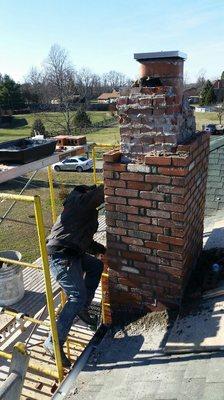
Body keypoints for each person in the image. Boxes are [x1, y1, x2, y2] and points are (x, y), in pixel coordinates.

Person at [44, 184, 106, 367]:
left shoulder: (83, 213)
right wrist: (115, 175)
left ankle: (82, 307)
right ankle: (53, 342)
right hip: (61, 255)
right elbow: (99, 194)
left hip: (73, 253)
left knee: (95, 266)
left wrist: (103, 251)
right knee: (77, 296)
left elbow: (85, 242)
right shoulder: (78, 201)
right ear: (86, 193)